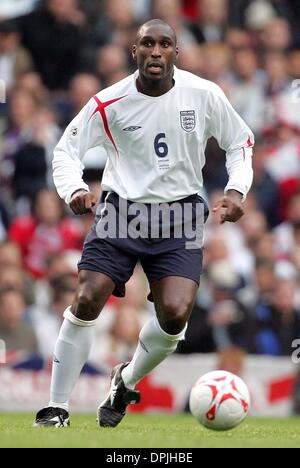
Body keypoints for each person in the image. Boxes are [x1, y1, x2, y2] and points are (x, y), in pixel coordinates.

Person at [34, 19, 254, 428]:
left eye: (165, 44)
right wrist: (75, 191)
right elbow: (65, 151)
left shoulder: (204, 94)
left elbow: (239, 142)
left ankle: (126, 380)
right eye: (147, 44)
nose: (156, 51)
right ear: (133, 52)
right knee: (87, 298)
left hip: (181, 214)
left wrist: (237, 190)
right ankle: (55, 408)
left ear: (176, 53)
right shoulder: (108, 102)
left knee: (175, 314)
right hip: (122, 210)